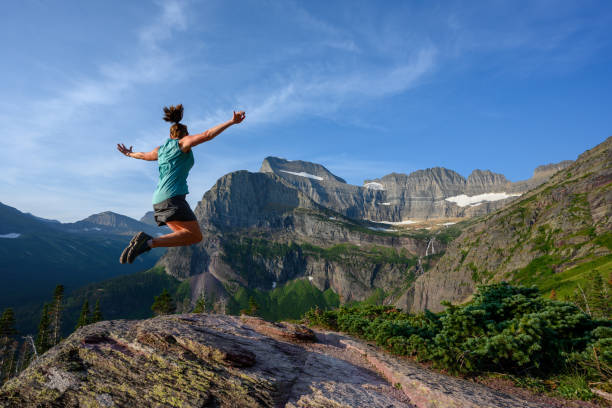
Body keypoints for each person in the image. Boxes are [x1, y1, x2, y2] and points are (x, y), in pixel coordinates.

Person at [117, 104, 246, 263]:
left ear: (170, 135)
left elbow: (143, 155)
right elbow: (207, 134)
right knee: (195, 236)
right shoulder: (182, 144)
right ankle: (147, 242)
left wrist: (129, 153)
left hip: (158, 201)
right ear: (185, 135)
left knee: (185, 236)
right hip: (173, 198)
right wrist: (231, 122)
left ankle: (146, 243)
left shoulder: (160, 150)